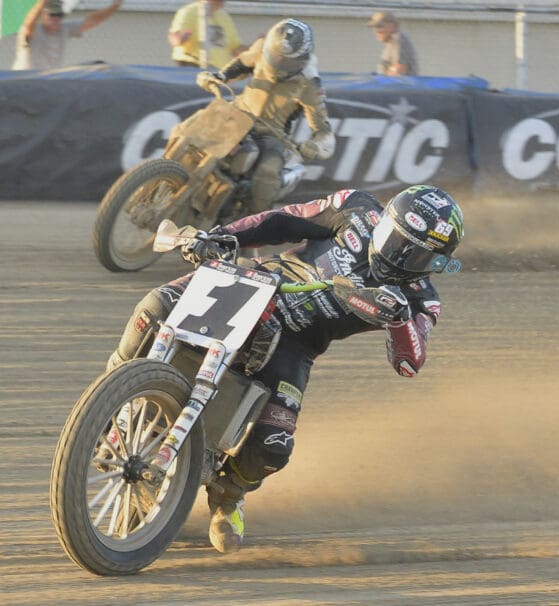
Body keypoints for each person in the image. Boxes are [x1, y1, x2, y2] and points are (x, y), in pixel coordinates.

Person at [105, 184, 464, 553]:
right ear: (387, 220)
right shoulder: (356, 209)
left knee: (274, 446)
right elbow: (281, 221)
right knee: (154, 307)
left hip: (295, 344)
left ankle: (228, 496)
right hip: (252, 285)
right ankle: (108, 402)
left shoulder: (421, 299)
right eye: (396, 240)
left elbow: (409, 363)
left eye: (418, 255)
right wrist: (219, 237)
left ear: (438, 263)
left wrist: (399, 319)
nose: (401, 257)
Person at [196, 18, 335, 214]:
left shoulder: (310, 83)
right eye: (275, 56)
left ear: (301, 59)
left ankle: (254, 230)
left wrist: (314, 146)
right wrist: (220, 76)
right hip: (237, 113)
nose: (278, 63)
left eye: (286, 61)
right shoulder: (261, 48)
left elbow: (324, 132)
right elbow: (242, 64)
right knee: (197, 127)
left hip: (270, 135)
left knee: (267, 173)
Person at [12, 0, 123, 71]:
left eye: (59, 15)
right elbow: (28, 24)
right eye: (52, 14)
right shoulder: (35, 31)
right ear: (43, 15)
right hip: (24, 82)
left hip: (47, 84)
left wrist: (114, 6)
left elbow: (91, 21)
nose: (56, 18)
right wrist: (42, 2)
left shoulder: (63, 29)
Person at [168, 0, 247, 69]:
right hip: (193, 66)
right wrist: (179, 38)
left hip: (218, 71)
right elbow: (175, 38)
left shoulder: (223, 16)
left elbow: (236, 49)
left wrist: (257, 46)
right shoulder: (190, 11)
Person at [367, 10, 419, 76]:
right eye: (374, 27)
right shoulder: (391, 43)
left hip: (398, 86)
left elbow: (399, 72)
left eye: (380, 26)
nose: (376, 30)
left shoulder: (399, 41)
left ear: (394, 26)